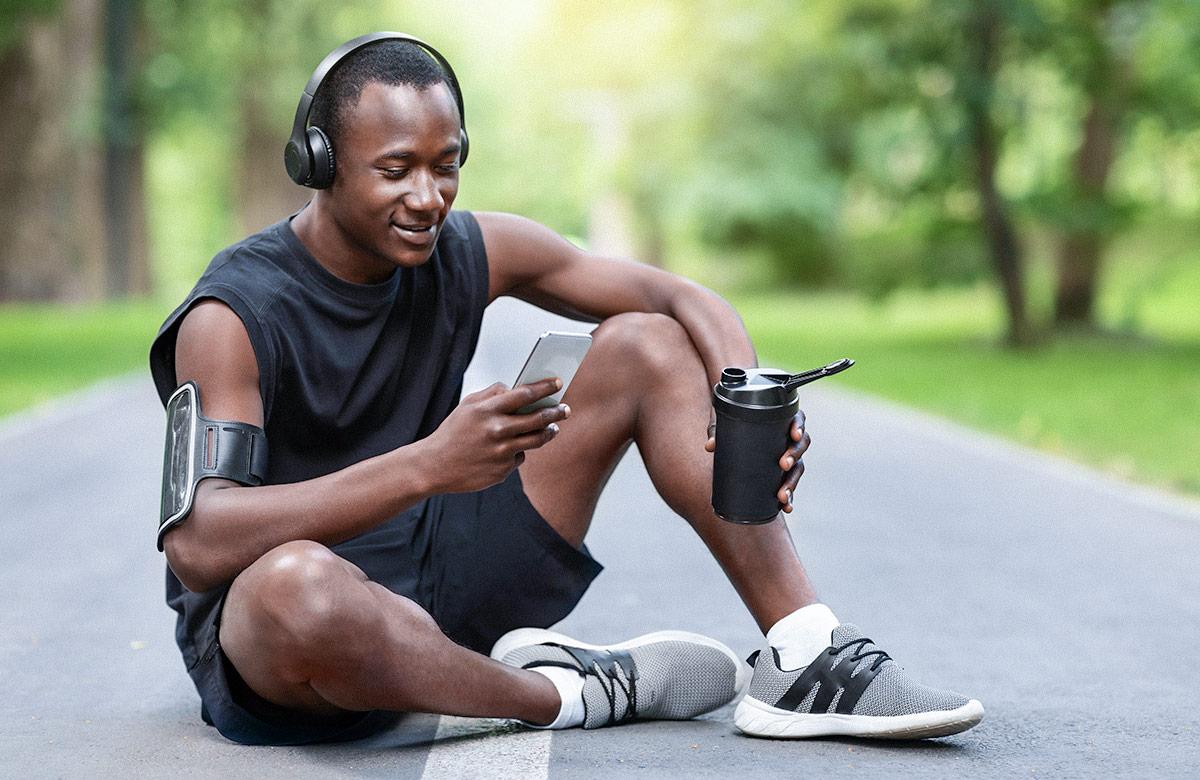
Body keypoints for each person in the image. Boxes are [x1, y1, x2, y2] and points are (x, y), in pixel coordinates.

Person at [148, 34, 984, 746]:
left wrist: (744, 400)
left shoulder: (471, 249)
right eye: (395, 169)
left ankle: (803, 654)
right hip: (295, 642)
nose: (427, 197)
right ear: (318, 164)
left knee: (649, 346)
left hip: (444, 578)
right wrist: (427, 466)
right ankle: (572, 694)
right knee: (301, 585)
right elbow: (199, 541)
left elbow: (677, 298)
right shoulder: (233, 314)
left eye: (447, 166)